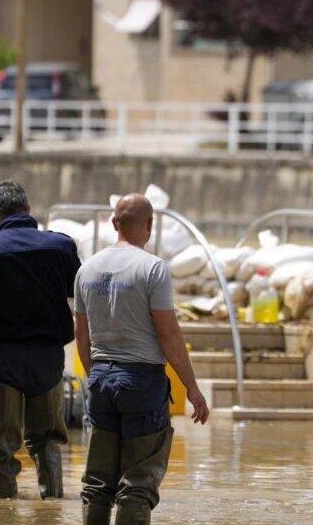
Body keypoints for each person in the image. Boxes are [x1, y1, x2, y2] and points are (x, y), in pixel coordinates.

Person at [74, 193, 209, 525]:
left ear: (114, 223)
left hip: (101, 379)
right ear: (149, 226)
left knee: (97, 483)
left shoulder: (86, 269)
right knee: (137, 485)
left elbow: (81, 335)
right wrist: (192, 387)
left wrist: (95, 376)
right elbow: (169, 334)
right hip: (142, 382)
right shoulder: (153, 268)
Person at [0, 181, 81, 500]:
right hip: (47, 359)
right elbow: (75, 291)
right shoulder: (61, 246)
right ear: (27, 209)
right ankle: (51, 506)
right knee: (47, 440)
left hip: (1, 359)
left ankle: (4, 510)